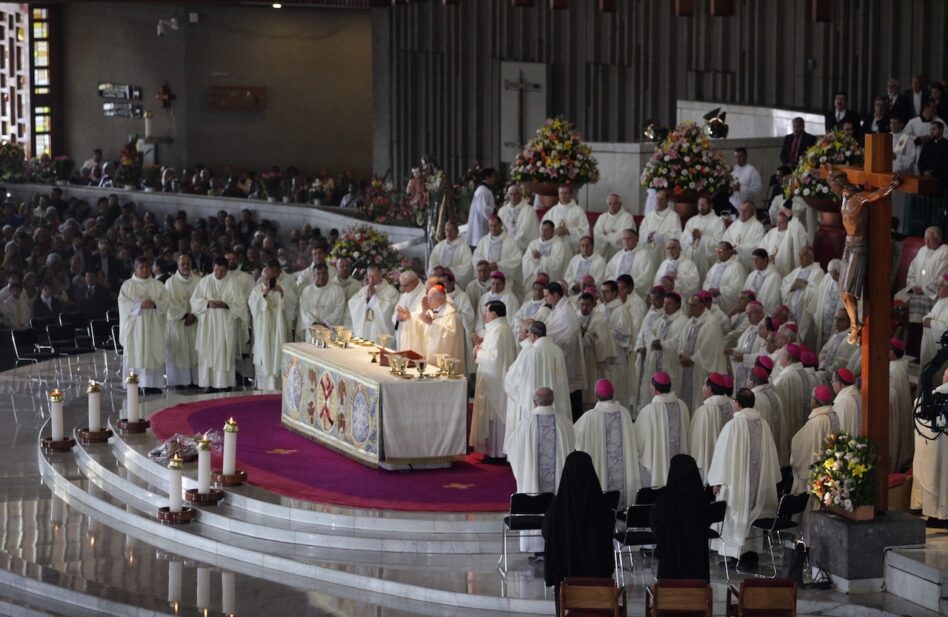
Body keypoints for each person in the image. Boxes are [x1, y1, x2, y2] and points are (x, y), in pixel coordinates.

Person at [827, 168, 902, 344]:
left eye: (832, 186)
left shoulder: (859, 198)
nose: (831, 190)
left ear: (840, 184)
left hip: (859, 247)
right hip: (848, 245)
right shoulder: (844, 198)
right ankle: (856, 324)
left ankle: (855, 325)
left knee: (847, 291)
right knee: (842, 293)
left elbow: (878, 194)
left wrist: (893, 185)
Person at [708, 388, 780, 569]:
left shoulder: (733, 426)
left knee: (735, 511)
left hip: (736, 486)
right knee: (752, 512)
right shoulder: (763, 424)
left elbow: (722, 456)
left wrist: (716, 481)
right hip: (758, 487)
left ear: (737, 404)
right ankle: (751, 554)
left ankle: (735, 556)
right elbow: (770, 457)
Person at [542, 451, 615, 615]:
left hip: (567, 582)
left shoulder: (556, 510)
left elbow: (547, 536)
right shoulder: (602, 508)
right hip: (597, 583)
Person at [574, 379, 641, 509]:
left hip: (600, 478)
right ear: (613, 393)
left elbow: (575, 440)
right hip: (625, 483)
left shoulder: (589, 417)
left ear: (596, 395)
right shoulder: (625, 413)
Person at [504, 321, 572, 444]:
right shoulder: (557, 350)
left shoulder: (530, 351)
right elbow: (558, 375)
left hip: (534, 401)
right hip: (555, 400)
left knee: (533, 439)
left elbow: (515, 377)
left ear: (534, 335)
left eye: (529, 334)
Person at [190, 257, 248, 393]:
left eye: (222, 270)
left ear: (227, 270)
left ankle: (225, 383)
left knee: (223, 351)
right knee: (207, 351)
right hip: (208, 325)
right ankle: (208, 383)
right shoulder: (204, 282)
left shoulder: (233, 283)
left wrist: (226, 304)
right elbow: (194, 301)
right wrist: (207, 304)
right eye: (216, 270)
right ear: (213, 268)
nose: (219, 273)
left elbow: (240, 304)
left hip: (225, 324)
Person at [470, 300, 518, 461]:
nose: (484, 315)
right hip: (494, 379)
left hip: (496, 381)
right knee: (493, 418)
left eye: (487, 312)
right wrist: (480, 347)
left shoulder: (499, 330)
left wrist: (478, 351)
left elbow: (494, 358)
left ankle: (497, 453)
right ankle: (492, 451)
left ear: (494, 314)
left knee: (496, 417)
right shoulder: (499, 329)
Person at [651, 454, 711, 581]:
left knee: (672, 598)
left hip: (670, 568)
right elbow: (707, 524)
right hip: (697, 570)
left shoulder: (663, 503)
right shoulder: (702, 502)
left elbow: (656, 528)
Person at [506, 386, 575, 496]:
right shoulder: (564, 423)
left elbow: (512, 447)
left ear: (534, 402)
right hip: (559, 492)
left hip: (533, 489)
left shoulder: (526, 424)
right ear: (553, 401)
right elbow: (572, 446)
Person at [118, 257, 170, 393]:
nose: (144, 270)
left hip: (154, 327)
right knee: (137, 352)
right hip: (136, 328)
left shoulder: (158, 285)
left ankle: (153, 385)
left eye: (147, 267)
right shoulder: (128, 285)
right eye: (141, 267)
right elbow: (123, 304)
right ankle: (136, 385)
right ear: (135, 269)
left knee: (153, 352)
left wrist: (155, 304)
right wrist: (139, 305)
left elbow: (166, 302)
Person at [537, 282, 585, 421]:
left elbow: (561, 334)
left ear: (556, 294)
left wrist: (542, 336)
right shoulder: (560, 307)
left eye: (547, 296)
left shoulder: (565, 312)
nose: (545, 299)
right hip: (562, 356)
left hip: (567, 358)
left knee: (570, 396)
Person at [249, 259, 299, 390]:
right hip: (263, 332)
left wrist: (282, 293)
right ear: (261, 278)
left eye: (271, 279)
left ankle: (280, 387)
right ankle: (263, 387)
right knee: (264, 355)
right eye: (265, 279)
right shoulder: (256, 291)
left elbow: (293, 305)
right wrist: (263, 295)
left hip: (279, 331)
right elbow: (253, 308)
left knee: (278, 354)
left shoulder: (284, 288)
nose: (268, 282)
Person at [634, 371, 690, 488]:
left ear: (655, 389)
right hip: (681, 469)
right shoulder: (682, 406)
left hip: (657, 467)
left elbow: (638, 444)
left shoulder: (648, 411)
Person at [634, 292, 688, 412]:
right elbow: (648, 332)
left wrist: (662, 344)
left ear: (678, 305)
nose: (665, 306)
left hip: (671, 365)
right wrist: (650, 342)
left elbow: (679, 341)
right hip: (656, 363)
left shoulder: (683, 321)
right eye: (664, 303)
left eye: (669, 303)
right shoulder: (662, 319)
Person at [677, 292, 727, 414]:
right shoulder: (691, 321)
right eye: (689, 305)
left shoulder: (711, 322)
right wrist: (681, 353)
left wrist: (693, 359)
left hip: (701, 370)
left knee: (698, 402)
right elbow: (682, 340)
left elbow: (711, 349)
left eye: (693, 305)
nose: (690, 308)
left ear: (702, 305)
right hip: (688, 369)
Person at [911, 368, 948, 527]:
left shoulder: (923, 400)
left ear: (944, 378)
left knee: (934, 478)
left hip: (931, 453)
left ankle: (934, 515)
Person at [790, 385, 840, 496]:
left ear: (815, 401)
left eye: (812, 397)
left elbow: (801, 445)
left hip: (816, 474)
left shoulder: (816, 421)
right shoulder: (833, 415)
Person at [164, 254, 201, 389]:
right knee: (181, 352)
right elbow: (170, 304)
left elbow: (203, 299)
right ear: (178, 265)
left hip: (195, 323)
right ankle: (180, 381)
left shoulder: (199, 281)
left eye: (188, 264)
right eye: (182, 264)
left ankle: (196, 381)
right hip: (179, 323)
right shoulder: (170, 282)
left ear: (191, 264)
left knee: (195, 352)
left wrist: (194, 314)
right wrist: (185, 315)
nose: (185, 266)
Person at [689, 373, 735, 482]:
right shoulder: (732, 405)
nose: (702, 387)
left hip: (709, 461)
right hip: (729, 461)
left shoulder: (704, 411)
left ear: (710, 389)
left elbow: (696, 444)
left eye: (704, 384)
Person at [577, 293, 617, 408]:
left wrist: (586, 335)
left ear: (593, 304)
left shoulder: (599, 320)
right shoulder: (577, 316)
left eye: (587, 305)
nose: (584, 308)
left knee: (591, 391)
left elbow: (603, 343)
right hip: (580, 360)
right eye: (582, 305)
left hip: (593, 361)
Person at [780, 246, 824, 349]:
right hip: (792, 313)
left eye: (803, 256)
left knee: (806, 343)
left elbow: (818, 294)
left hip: (806, 313)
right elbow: (784, 285)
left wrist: (804, 286)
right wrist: (792, 286)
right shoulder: (796, 271)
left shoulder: (818, 272)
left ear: (811, 257)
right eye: (799, 256)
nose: (800, 259)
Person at [748, 364, 789, 467]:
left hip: (762, 450)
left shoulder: (753, 400)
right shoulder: (774, 395)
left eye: (747, 378)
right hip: (775, 445)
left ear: (752, 382)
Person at [348, 264, 399, 344]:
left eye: (374, 276)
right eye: (369, 276)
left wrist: (373, 298)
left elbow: (388, 311)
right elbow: (353, 304)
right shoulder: (364, 290)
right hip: (365, 329)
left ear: (381, 274)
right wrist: (366, 299)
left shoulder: (391, 291)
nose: (371, 280)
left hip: (379, 332)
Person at [296, 262, 346, 342]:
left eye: (324, 273)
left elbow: (339, 310)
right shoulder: (307, 291)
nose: (321, 276)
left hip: (330, 332)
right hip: (312, 331)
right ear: (313, 276)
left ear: (328, 275)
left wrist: (325, 323)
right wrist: (314, 324)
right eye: (318, 274)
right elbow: (303, 311)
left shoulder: (337, 290)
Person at [472, 215, 522, 292]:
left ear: (501, 225)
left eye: (495, 225)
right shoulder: (484, 241)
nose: (493, 228)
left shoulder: (510, 241)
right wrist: (486, 266)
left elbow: (517, 259)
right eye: (491, 226)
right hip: (486, 280)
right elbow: (476, 257)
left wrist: (499, 265)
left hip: (504, 281)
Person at [522, 221, 570, 297]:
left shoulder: (559, 244)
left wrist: (541, 258)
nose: (543, 233)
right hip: (534, 280)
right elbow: (525, 260)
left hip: (550, 281)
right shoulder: (534, 243)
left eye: (546, 230)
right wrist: (535, 261)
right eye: (542, 230)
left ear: (552, 231)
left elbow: (557, 264)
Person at [604, 228, 653, 299]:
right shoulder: (618, 255)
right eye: (624, 239)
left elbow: (646, 276)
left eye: (629, 238)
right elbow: (609, 272)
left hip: (635, 294)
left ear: (637, 239)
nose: (626, 241)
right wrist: (616, 285)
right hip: (617, 294)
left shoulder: (643, 254)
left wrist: (627, 287)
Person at [889, 338, 915, 472]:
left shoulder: (892, 369)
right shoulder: (902, 366)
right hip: (902, 407)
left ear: (892, 353)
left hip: (894, 410)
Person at [758, 207, 807, 277]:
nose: (778, 224)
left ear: (788, 223)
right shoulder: (771, 232)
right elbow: (762, 246)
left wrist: (791, 218)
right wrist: (766, 257)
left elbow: (800, 231)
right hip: (770, 267)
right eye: (777, 221)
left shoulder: (792, 232)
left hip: (787, 269)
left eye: (781, 222)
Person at [638, 188, 683, 264]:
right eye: (657, 199)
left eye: (661, 199)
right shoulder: (649, 215)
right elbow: (642, 231)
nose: (658, 201)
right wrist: (648, 236)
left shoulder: (673, 216)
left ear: (667, 201)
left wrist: (661, 237)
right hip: (648, 251)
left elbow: (677, 235)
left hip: (663, 252)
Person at [541, 185, 589, 253]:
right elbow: (542, 229)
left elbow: (584, 232)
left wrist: (568, 231)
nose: (563, 196)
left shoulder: (578, 211)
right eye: (561, 193)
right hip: (554, 249)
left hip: (571, 250)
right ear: (558, 194)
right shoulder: (552, 211)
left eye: (566, 193)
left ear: (570, 194)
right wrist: (552, 232)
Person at [703, 241, 747, 315]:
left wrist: (720, 291)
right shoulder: (716, 265)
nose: (718, 253)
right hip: (712, 303)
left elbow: (737, 289)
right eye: (717, 250)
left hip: (727, 307)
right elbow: (706, 282)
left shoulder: (736, 267)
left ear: (729, 251)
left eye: (720, 251)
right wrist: (709, 290)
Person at [428, 221, 474, 290]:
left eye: (451, 230)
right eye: (446, 230)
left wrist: (451, 270)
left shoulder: (464, 247)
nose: (448, 233)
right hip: (439, 283)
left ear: (457, 231)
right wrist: (439, 270)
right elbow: (433, 261)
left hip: (455, 285)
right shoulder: (440, 246)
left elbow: (467, 267)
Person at [722, 200, 766, 271]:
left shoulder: (758, 227)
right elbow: (726, 238)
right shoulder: (735, 224)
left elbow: (757, 246)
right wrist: (729, 248)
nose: (742, 213)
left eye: (745, 211)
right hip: (730, 260)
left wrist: (739, 250)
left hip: (745, 264)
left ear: (752, 212)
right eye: (741, 210)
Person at [474, 271, 520, 336]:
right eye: (493, 284)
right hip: (485, 333)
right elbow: (480, 318)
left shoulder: (510, 299)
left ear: (504, 284)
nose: (495, 287)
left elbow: (511, 320)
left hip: (502, 332)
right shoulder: (484, 298)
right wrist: (483, 333)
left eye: (498, 284)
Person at [810, 259, 843, 349]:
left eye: (835, 275)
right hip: (823, 323)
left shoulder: (847, 280)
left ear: (840, 271)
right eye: (831, 274)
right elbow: (819, 295)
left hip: (837, 324)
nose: (833, 278)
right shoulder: (828, 277)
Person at [497, 184, 539, 252]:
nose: (513, 196)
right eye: (511, 194)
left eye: (516, 194)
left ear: (520, 195)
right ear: (508, 195)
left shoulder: (529, 210)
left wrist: (513, 243)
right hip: (505, 246)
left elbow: (525, 230)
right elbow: (500, 228)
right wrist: (505, 241)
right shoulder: (502, 211)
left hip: (522, 248)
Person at [592, 193, 635, 260]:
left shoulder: (627, 217)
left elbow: (625, 236)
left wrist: (608, 235)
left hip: (621, 255)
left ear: (620, 204)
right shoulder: (602, 217)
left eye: (615, 203)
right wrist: (614, 235)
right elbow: (597, 234)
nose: (612, 206)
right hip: (604, 254)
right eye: (610, 203)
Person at [818, 309, 861, 375]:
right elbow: (823, 353)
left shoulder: (852, 340)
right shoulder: (834, 336)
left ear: (849, 321)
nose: (837, 322)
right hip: (824, 373)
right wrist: (822, 366)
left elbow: (846, 362)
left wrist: (830, 371)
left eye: (841, 319)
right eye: (836, 319)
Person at [392, 270, 425, 351]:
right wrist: (397, 318)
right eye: (402, 286)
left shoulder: (425, 294)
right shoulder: (404, 295)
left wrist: (408, 317)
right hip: (403, 333)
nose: (403, 289)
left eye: (405, 285)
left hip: (416, 336)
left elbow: (425, 315)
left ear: (414, 281)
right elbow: (395, 313)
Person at [743, 249, 782, 313]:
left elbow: (774, 299)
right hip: (750, 311)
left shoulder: (775, 276)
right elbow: (745, 292)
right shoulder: (752, 275)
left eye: (757, 259)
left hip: (764, 313)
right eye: (753, 259)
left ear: (765, 259)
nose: (754, 262)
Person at [465, 167, 497, 248]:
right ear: (487, 177)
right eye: (493, 176)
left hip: (482, 223)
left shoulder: (485, 189)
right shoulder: (482, 190)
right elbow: (483, 209)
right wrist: (495, 210)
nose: (495, 178)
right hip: (481, 225)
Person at [728, 147, 763, 212]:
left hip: (746, 206)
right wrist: (730, 188)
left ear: (746, 156)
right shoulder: (732, 170)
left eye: (740, 156)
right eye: (736, 157)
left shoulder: (752, 171)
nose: (738, 159)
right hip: (731, 204)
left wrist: (741, 188)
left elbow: (757, 190)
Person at [917, 120, 948, 190]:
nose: (931, 131)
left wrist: (933, 173)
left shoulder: (946, 144)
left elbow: (945, 163)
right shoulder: (927, 144)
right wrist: (923, 171)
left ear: (941, 130)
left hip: (941, 181)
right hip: (926, 179)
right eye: (931, 129)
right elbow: (921, 161)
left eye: (934, 129)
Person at [831, 367, 861, 435]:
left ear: (839, 384)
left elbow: (837, 429)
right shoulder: (860, 397)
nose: (832, 385)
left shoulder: (840, 401)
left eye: (833, 382)